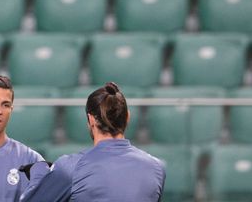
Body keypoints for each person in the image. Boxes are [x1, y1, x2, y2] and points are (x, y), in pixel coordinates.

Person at [19, 82, 165, 202]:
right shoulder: (156, 167)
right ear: (127, 117)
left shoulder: (70, 168)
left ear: (91, 120)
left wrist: (38, 171)